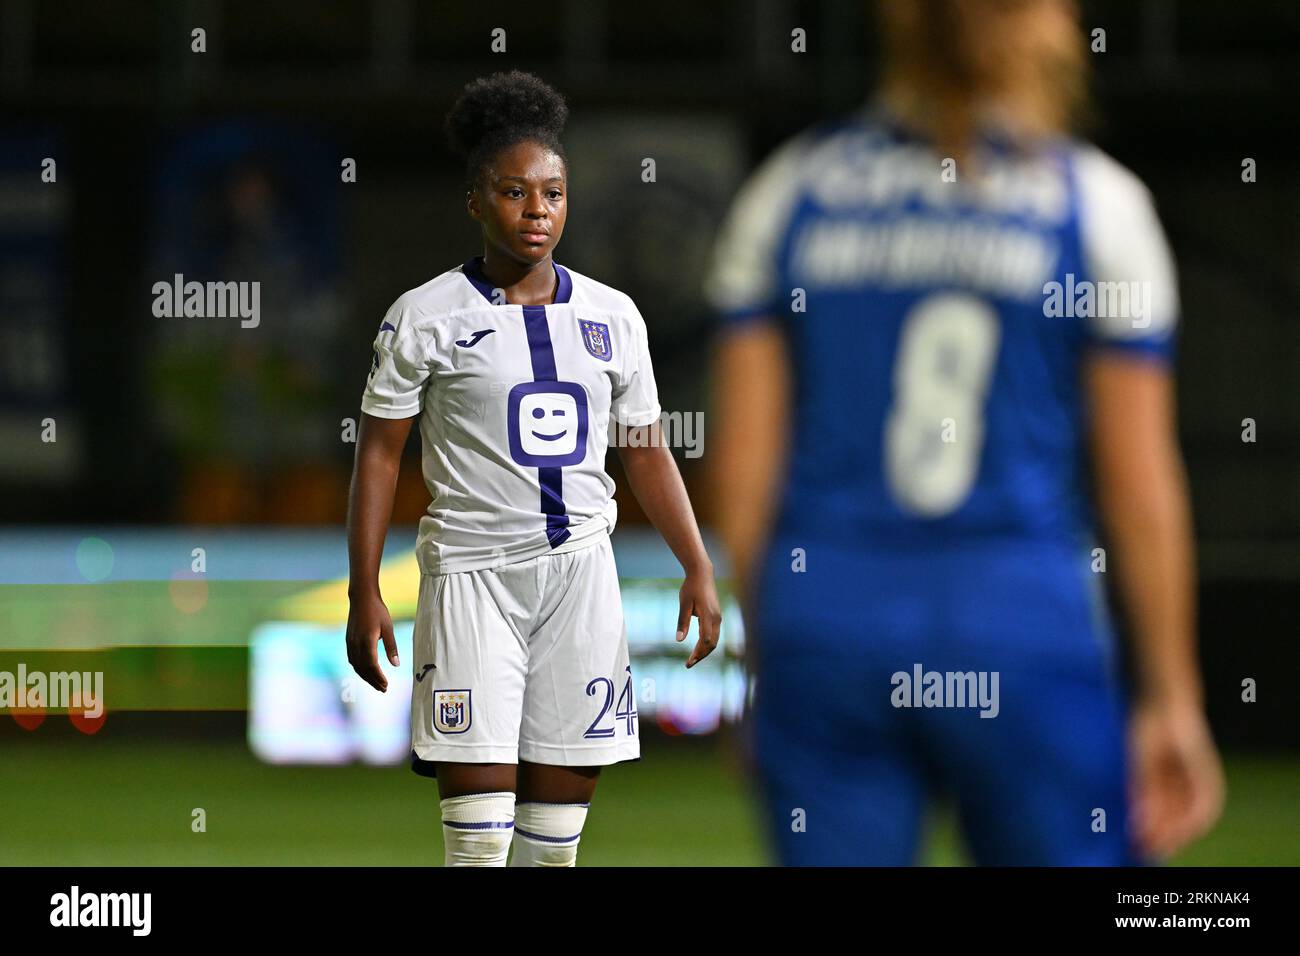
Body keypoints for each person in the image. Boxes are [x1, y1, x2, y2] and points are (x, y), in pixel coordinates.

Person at [707, 0, 1223, 865]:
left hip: (831, 628)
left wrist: (769, 660)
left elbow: (743, 477)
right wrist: (1174, 696)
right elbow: (1138, 487)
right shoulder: (1096, 205)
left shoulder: (788, 194)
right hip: (1026, 627)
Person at [346, 70, 720, 866]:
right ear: (476, 201)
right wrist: (364, 587)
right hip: (473, 577)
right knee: (478, 848)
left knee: (552, 852)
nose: (537, 211)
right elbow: (379, 453)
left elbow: (646, 449)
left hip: (582, 578)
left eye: (552, 193)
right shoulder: (425, 316)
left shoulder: (613, 316)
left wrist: (697, 565)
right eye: (515, 193)